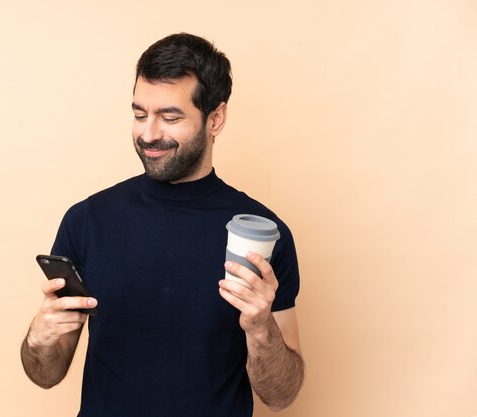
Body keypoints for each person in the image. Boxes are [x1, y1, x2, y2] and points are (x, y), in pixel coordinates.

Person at [21, 33, 304, 417]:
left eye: (170, 117)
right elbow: (46, 375)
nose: (149, 134)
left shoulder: (264, 234)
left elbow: (281, 395)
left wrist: (260, 328)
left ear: (215, 118)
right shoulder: (87, 220)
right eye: (140, 114)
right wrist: (38, 340)